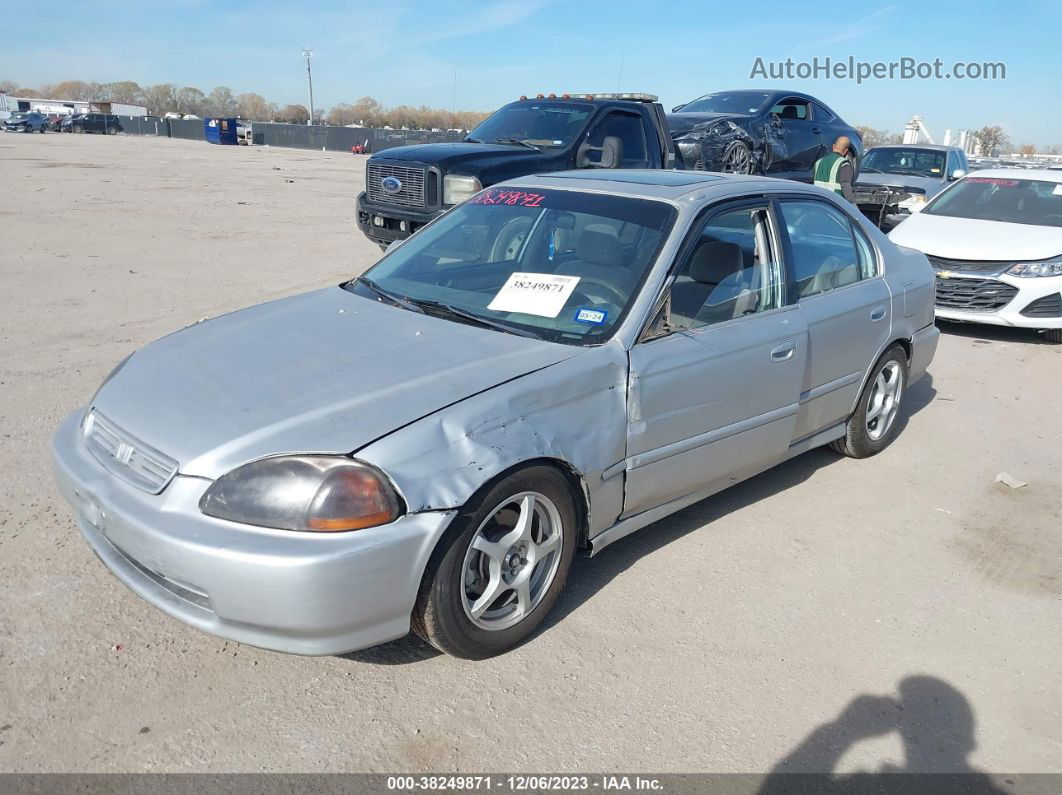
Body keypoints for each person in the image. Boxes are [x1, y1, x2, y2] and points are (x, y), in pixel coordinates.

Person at [814, 135, 856, 203]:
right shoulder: (844, 163)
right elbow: (845, 186)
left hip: (819, 203)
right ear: (846, 150)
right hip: (835, 204)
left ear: (833, 146)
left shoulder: (818, 162)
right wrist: (853, 206)